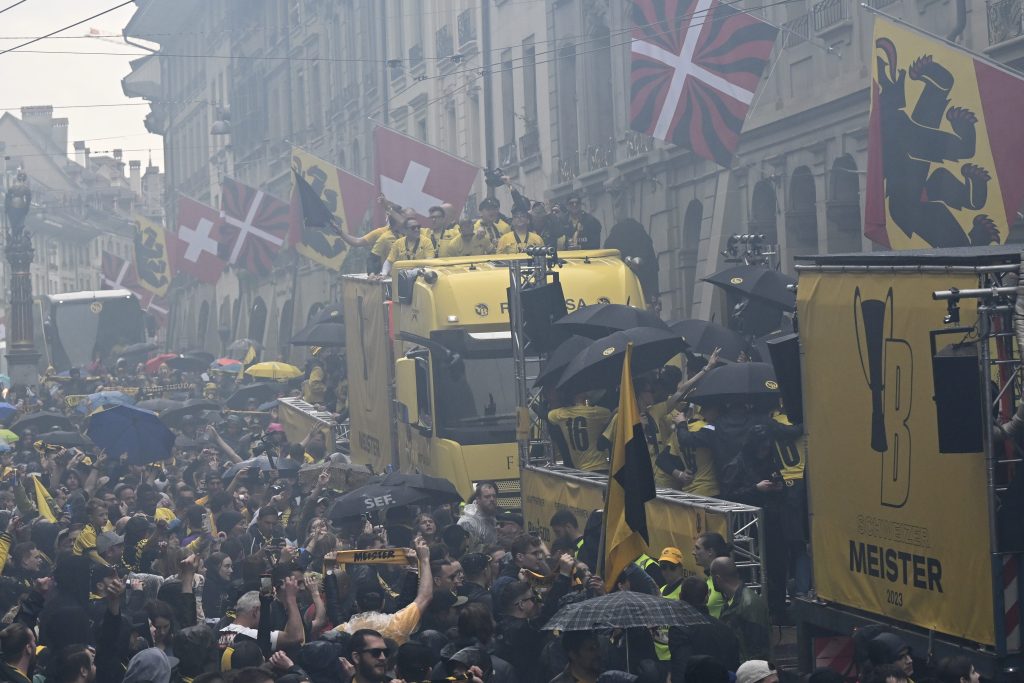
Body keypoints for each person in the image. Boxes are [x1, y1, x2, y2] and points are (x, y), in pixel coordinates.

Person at [333, 539, 433, 644]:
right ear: (383, 603)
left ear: (356, 604)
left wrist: (330, 569)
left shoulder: (344, 631)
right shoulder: (397, 624)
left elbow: (333, 607)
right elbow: (425, 596)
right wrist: (423, 560)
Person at [218, 576, 305, 652]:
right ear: (255, 612)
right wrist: (291, 598)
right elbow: (296, 637)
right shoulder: (249, 636)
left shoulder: (222, 633)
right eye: (266, 614)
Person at [712, 556, 770, 661]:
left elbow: (757, 647)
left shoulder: (750, 603)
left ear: (717, 578)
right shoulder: (729, 602)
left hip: (749, 670)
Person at [548, 393, 612, 472]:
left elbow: (550, 415)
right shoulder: (596, 412)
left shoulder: (560, 414)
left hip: (581, 469)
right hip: (600, 466)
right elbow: (609, 413)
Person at [693, 532, 730, 617]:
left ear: (710, 551)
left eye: (697, 548)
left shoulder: (724, 580)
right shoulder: (711, 578)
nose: (693, 552)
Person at [458, 482, 499, 550]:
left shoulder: (491, 516)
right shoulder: (468, 522)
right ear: (478, 499)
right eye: (487, 497)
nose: (492, 499)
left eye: (494, 496)